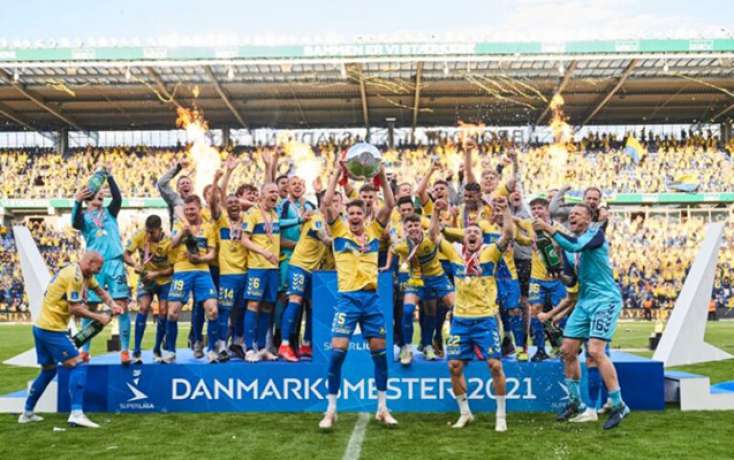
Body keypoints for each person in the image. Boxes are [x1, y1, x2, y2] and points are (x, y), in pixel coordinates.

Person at [534, 203, 629, 430]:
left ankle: (619, 405)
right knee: (567, 350)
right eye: (570, 214)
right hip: (584, 302)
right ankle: (575, 402)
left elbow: (575, 245)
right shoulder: (569, 250)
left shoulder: (595, 234)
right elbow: (572, 280)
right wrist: (558, 275)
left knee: (595, 351)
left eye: (577, 213)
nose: (572, 216)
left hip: (605, 300)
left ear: (589, 219)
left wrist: (547, 227)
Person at [318, 157, 397, 430]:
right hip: (348, 300)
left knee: (380, 354)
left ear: (364, 215)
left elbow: (390, 205)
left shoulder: (374, 231)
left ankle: (383, 408)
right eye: (350, 213)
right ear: (346, 215)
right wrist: (336, 174)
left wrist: (382, 175)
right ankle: (331, 410)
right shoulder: (338, 230)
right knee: (337, 354)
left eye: (357, 214)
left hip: (371, 300)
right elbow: (326, 203)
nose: (353, 217)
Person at [431, 198, 512, 432]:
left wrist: (506, 210)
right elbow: (434, 235)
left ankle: (501, 416)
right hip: (460, 321)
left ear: (482, 238)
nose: (472, 234)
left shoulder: (490, 253)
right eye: (469, 232)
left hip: (485, 319)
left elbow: (507, 234)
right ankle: (465, 413)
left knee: (494, 365)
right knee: (454, 366)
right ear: (463, 238)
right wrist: (435, 212)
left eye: (477, 232)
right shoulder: (455, 253)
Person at [19, 251, 122, 428]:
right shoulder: (75, 276)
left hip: (41, 327)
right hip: (52, 329)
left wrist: (113, 305)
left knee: (48, 370)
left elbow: (99, 291)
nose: (99, 271)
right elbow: (74, 309)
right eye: (98, 267)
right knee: (78, 364)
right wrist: (99, 317)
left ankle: (27, 412)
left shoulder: (84, 274)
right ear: (90, 263)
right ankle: (76, 413)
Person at [72, 166, 131, 364]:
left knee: (121, 305)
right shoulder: (84, 218)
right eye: (98, 193)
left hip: (114, 263)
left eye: (102, 194)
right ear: (89, 198)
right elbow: (74, 223)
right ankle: (85, 350)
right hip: (94, 267)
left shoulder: (110, 212)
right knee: (89, 307)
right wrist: (77, 201)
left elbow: (118, 198)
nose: (101, 195)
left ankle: (124, 350)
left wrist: (110, 176)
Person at [278, 195, 334, 361]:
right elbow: (325, 239)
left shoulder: (336, 225)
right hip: (299, 266)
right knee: (295, 301)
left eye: (337, 203)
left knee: (312, 306)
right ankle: (284, 345)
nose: (334, 207)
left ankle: (307, 345)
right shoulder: (317, 218)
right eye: (331, 203)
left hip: (314, 270)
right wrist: (349, 242)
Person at [393, 213, 454, 365]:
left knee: (452, 309)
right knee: (408, 311)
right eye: (409, 226)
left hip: (437, 278)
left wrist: (436, 211)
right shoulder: (402, 246)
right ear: (405, 229)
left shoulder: (429, 237)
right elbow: (391, 249)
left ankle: (428, 345)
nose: (413, 228)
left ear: (421, 227)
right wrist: (388, 265)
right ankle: (407, 349)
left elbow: (434, 229)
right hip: (416, 280)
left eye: (416, 225)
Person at [164, 195, 218, 363]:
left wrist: (200, 259)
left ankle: (212, 350)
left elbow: (212, 254)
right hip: (182, 272)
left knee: (213, 311)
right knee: (172, 313)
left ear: (200, 209)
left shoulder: (208, 228)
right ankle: (170, 351)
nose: (189, 212)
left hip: (202, 272)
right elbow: (172, 244)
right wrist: (183, 232)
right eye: (187, 210)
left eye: (192, 209)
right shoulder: (179, 225)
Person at [209, 171, 248, 362]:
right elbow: (213, 203)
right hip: (227, 275)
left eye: (236, 202)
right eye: (229, 202)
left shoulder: (247, 220)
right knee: (224, 310)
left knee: (241, 311)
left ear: (241, 205)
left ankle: (238, 343)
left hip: (245, 273)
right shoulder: (221, 221)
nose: (233, 204)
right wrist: (218, 178)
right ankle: (222, 345)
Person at [123, 214, 173, 364]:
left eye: (152, 232)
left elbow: (173, 268)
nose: (149, 235)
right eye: (148, 231)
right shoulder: (141, 236)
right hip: (146, 279)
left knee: (163, 311)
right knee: (144, 307)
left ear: (160, 229)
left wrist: (156, 273)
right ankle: (137, 350)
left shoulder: (168, 242)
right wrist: (134, 265)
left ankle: (157, 348)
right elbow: (125, 254)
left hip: (164, 280)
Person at [241, 183, 281, 362]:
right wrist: (264, 252)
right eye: (271, 192)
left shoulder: (275, 214)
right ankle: (249, 348)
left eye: (277, 192)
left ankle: (262, 347)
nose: (275, 195)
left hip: (273, 268)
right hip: (257, 267)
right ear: (262, 195)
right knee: (253, 305)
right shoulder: (252, 213)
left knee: (267, 307)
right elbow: (244, 239)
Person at [527, 197, 567, 362]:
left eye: (539, 208)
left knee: (560, 313)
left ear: (547, 209)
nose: (536, 212)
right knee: (535, 312)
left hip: (557, 279)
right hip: (536, 279)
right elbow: (514, 222)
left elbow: (567, 247)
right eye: (533, 209)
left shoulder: (558, 228)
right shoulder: (529, 225)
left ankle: (564, 348)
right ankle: (540, 349)